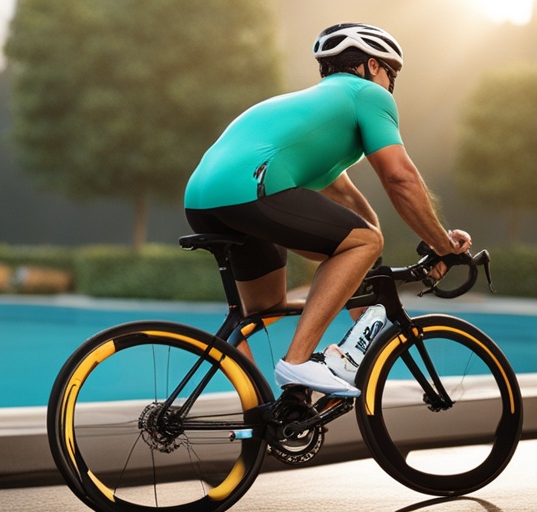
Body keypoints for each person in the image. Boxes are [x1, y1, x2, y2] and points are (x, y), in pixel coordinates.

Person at [184, 23, 471, 397]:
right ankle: (298, 363)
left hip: (203, 198)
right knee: (363, 242)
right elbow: (401, 179)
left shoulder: (316, 111)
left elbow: (350, 203)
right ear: (372, 66)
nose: (390, 83)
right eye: (391, 73)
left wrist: (367, 287)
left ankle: (261, 411)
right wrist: (443, 245)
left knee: (263, 308)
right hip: (249, 188)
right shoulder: (368, 95)